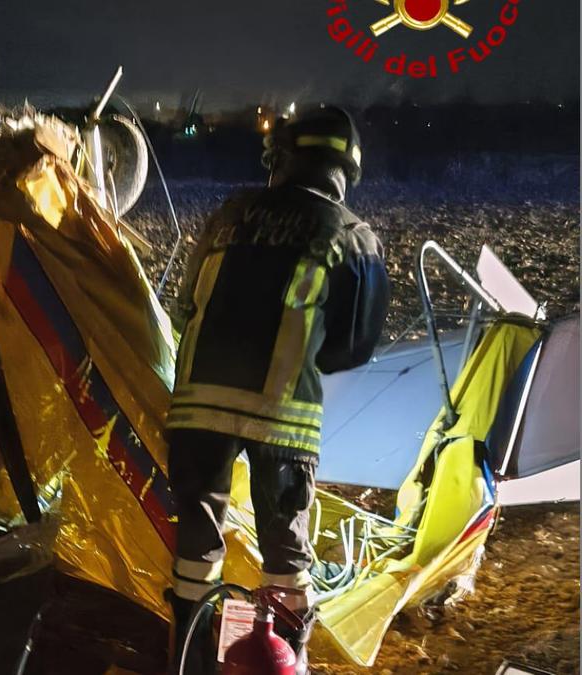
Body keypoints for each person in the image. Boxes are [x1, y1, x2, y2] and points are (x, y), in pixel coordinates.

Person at [167, 106, 390, 674]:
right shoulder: (353, 237)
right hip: (282, 421)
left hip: (196, 413)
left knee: (195, 556)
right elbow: (353, 348)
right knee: (286, 561)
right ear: (347, 170)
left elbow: (186, 305)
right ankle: (287, 664)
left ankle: (187, 664)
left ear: (282, 160)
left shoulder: (226, 217)